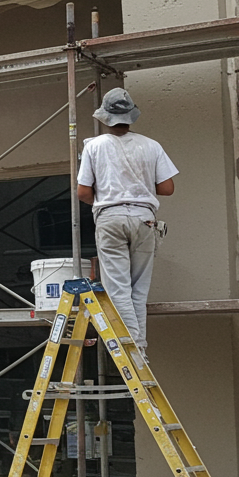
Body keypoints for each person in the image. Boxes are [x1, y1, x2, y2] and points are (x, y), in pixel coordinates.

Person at [77, 88, 177, 351]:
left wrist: (110, 194)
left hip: (111, 218)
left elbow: (83, 192)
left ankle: (132, 348)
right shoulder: (151, 145)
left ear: (104, 118)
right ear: (131, 116)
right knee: (138, 290)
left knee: (118, 288)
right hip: (145, 219)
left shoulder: (94, 146)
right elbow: (167, 188)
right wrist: (139, 186)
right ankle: (139, 347)